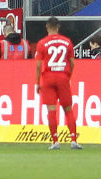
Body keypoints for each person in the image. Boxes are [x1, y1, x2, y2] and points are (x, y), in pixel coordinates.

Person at [34, 17, 80, 150]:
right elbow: (72, 62)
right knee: (68, 109)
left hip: (48, 77)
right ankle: (73, 140)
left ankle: (55, 141)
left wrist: (37, 82)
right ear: (58, 27)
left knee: (51, 109)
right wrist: (68, 76)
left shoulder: (42, 43)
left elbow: (38, 66)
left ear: (47, 27)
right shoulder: (67, 42)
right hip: (63, 76)